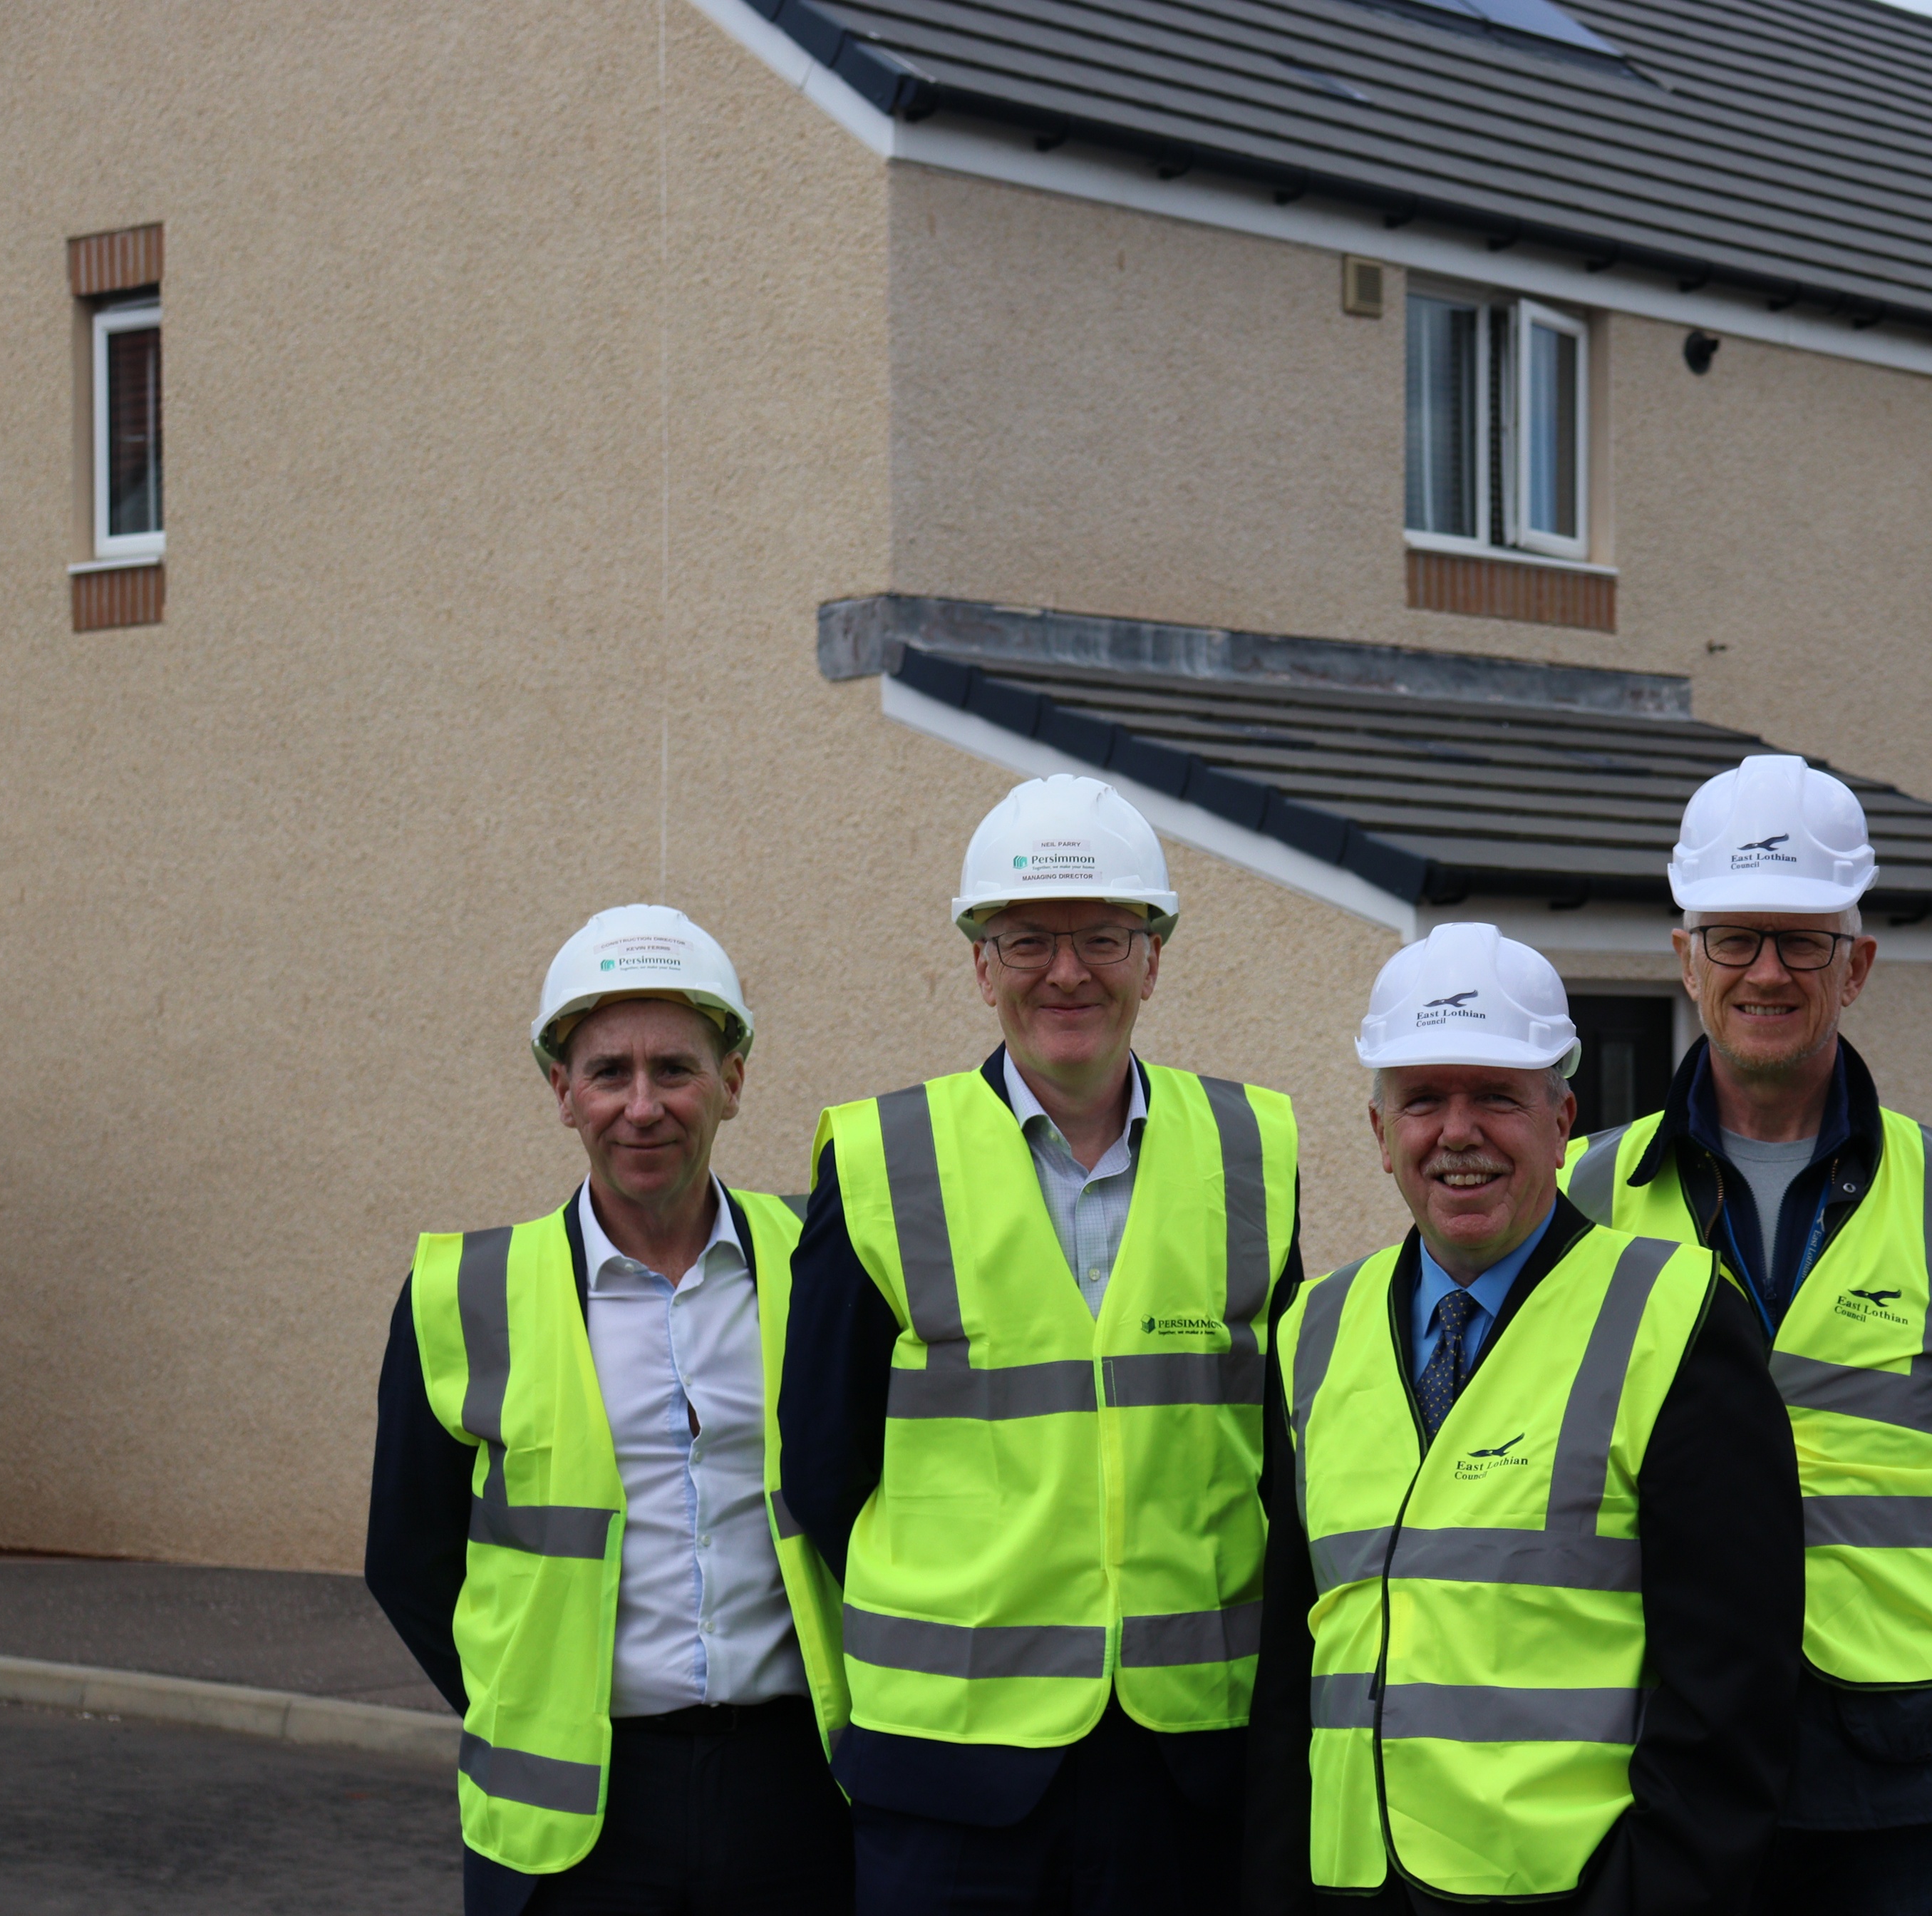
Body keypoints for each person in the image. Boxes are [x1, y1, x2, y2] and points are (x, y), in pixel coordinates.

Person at [1559, 755, 1932, 1916]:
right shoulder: (1586, 1195)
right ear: (1685, 957)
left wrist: (1903, 1623)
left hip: (1896, 1765)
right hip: (1655, 1746)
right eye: (1736, 938)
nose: (1768, 971)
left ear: (1860, 965)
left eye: (1804, 940)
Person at [779, 773, 1301, 1916]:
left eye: (1104, 935)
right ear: (980, 962)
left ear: (1155, 955)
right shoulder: (879, 1160)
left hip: (1185, 1767)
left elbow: (1278, 1445)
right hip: (951, 1778)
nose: (1067, 971)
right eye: (1028, 940)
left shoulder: (1252, 1149)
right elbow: (821, 1466)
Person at [1246, 922, 1802, 1916]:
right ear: (1379, 1135)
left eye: (1497, 1096)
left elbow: (1731, 1696)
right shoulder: (1312, 1330)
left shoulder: (1672, 1317)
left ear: (1561, 1120)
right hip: (1349, 1887)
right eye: (1422, 1100)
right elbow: (1292, 1671)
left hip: (1568, 1894)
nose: (1457, 1133)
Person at [365, 904, 853, 1916]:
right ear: (562, 1091)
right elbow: (407, 1555)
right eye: (608, 1072)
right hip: (571, 1824)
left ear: (734, 1082)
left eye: (675, 1069)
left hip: (799, 1794)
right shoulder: (463, 1294)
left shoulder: (823, 1261)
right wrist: (523, 1699)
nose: (643, 1106)